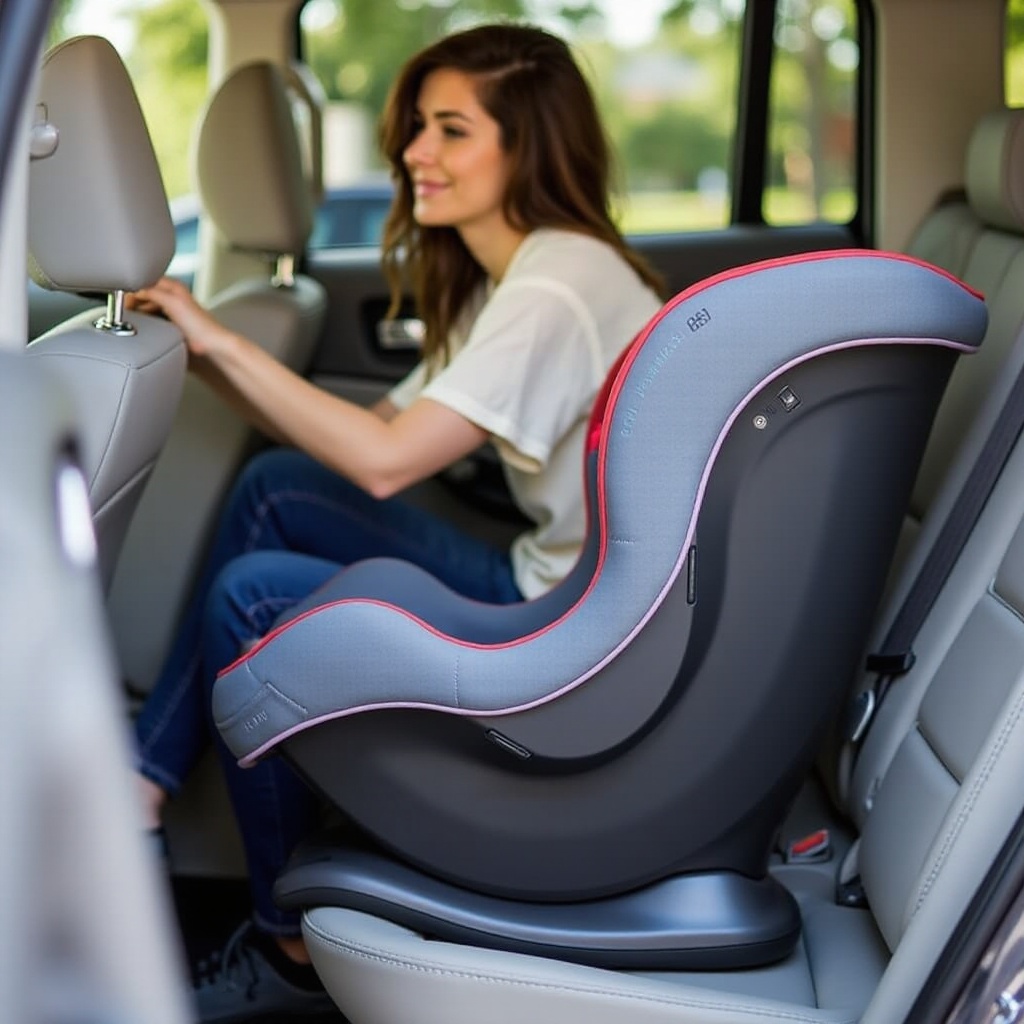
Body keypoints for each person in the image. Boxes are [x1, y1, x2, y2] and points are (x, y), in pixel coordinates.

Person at [130, 21, 664, 1023]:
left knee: (252, 603)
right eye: (419, 125)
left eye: (452, 130)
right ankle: (147, 782)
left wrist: (215, 339)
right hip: (542, 572)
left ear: (529, 146)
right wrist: (211, 353)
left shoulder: (555, 286)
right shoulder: (510, 276)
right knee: (278, 486)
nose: (414, 151)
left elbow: (382, 465)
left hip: (570, 626)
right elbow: (365, 430)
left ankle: (285, 942)